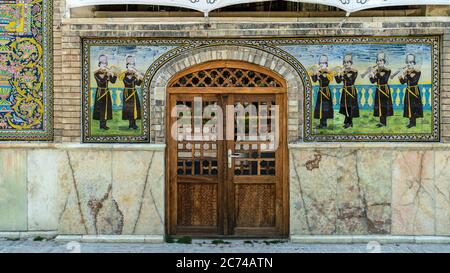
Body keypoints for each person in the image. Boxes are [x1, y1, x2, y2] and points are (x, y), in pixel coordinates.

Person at [369, 52, 393, 127]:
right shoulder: (377, 71)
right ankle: (381, 122)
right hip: (378, 89)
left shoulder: (387, 70)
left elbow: (384, 78)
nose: (379, 62)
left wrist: (375, 73)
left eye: (381, 61)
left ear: (384, 62)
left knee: (384, 105)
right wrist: (371, 75)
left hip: (384, 89)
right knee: (378, 105)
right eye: (378, 61)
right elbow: (373, 81)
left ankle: (384, 122)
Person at [93, 55, 117, 130]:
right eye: (103, 63)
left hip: (106, 92)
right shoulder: (96, 73)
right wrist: (108, 75)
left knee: (106, 108)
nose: (105, 65)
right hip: (100, 92)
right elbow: (101, 82)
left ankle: (104, 125)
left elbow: (113, 82)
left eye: (105, 63)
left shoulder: (107, 72)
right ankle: (101, 125)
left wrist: (114, 75)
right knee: (101, 109)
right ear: (99, 64)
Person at [335, 54, 359, 128]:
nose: (346, 64)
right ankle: (347, 121)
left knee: (350, 106)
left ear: (351, 63)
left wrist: (342, 74)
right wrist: (338, 74)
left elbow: (350, 80)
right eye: (344, 62)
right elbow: (338, 81)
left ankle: (349, 122)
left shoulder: (354, 71)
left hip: (351, 91)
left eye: (348, 62)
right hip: (345, 91)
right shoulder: (343, 72)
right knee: (345, 106)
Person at [399, 53, 423, 128]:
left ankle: (413, 123)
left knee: (414, 106)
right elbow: (403, 82)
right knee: (408, 106)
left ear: (414, 63)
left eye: (411, 62)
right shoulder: (407, 72)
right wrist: (401, 75)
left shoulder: (417, 71)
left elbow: (413, 81)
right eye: (408, 63)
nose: (409, 64)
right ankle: (411, 122)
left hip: (414, 91)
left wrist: (406, 74)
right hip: (408, 90)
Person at [311, 55, 334, 129]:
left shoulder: (329, 72)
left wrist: (319, 74)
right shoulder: (319, 72)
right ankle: (321, 123)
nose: (321, 64)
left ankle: (324, 124)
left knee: (325, 107)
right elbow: (314, 80)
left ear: (326, 64)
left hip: (326, 92)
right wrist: (314, 73)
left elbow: (325, 81)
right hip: (320, 91)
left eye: (323, 63)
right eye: (320, 63)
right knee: (320, 107)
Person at [121, 56, 143, 130]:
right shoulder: (124, 74)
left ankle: (134, 124)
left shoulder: (134, 74)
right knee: (129, 109)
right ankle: (130, 125)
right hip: (127, 92)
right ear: (127, 65)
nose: (132, 66)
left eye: (133, 64)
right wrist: (136, 76)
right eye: (130, 64)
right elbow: (128, 82)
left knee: (135, 109)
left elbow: (138, 84)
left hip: (134, 92)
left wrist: (140, 77)